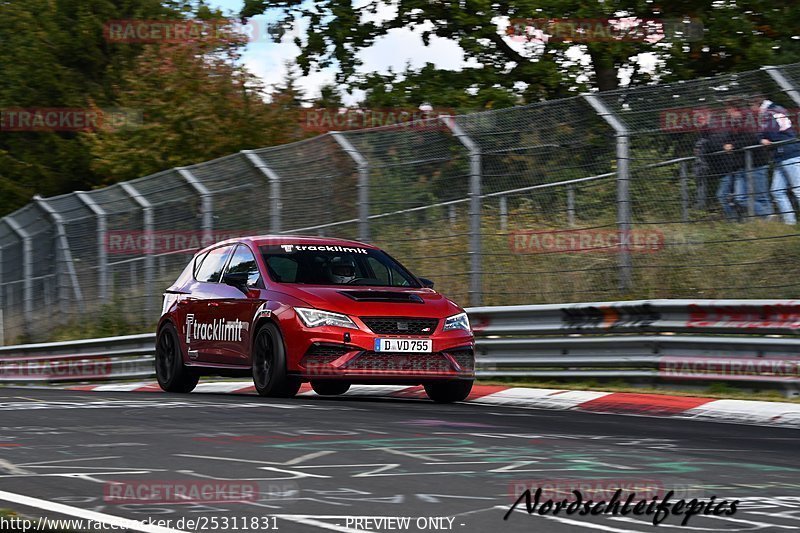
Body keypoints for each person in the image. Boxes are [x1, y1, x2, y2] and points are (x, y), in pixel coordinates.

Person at [755, 97, 800, 224]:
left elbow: (770, 135)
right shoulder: (775, 111)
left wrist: (763, 138)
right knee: (777, 191)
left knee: (798, 189)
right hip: (782, 156)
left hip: (789, 154)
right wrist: (762, 138)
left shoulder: (770, 114)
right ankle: (790, 223)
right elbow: (762, 134)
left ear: (758, 106)